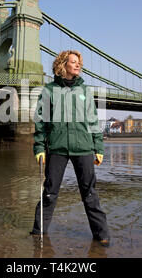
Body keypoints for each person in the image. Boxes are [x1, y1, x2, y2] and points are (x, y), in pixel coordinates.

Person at [31, 50, 110, 246]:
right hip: (57, 148)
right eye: (73, 62)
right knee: (49, 191)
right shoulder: (49, 91)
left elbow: (93, 121)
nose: (78, 65)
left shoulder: (85, 92)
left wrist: (98, 147)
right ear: (62, 65)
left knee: (90, 193)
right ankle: (38, 232)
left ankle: (102, 235)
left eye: (79, 63)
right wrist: (39, 147)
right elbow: (41, 121)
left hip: (83, 148)